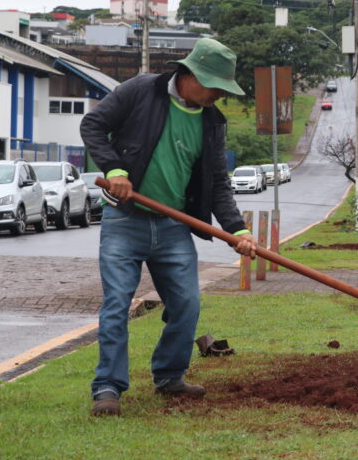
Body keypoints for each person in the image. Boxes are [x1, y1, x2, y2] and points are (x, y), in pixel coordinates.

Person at [80, 38, 258, 417]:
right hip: (125, 220)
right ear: (190, 75)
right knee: (116, 306)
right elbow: (93, 125)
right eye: (214, 87)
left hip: (174, 224)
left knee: (187, 305)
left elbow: (217, 182)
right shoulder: (140, 91)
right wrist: (114, 169)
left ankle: (170, 376)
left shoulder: (211, 121)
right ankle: (108, 387)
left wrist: (237, 230)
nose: (217, 96)